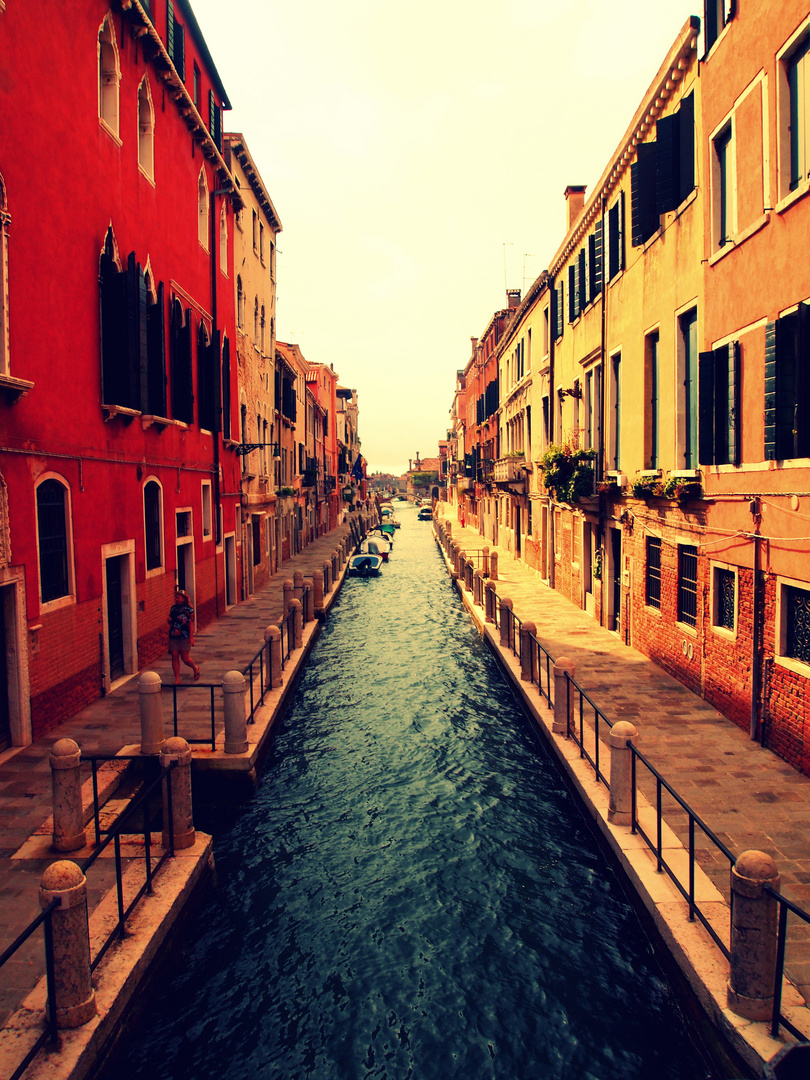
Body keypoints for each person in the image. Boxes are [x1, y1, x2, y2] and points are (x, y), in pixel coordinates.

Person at [167, 589, 200, 683]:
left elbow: (190, 624)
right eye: (176, 597)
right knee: (174, 656)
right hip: (173, 635)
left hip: (184, 636)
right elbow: (171, 620)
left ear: (184, 599)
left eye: (179, 597)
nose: (177, 599)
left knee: (185, 658)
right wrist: (169, 620)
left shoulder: (189, 610)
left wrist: (191, 638)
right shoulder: (173, 608)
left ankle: (195, 667)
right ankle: (177, 678)